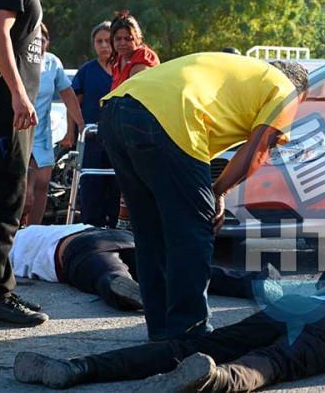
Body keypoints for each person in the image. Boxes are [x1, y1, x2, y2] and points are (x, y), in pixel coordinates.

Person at [99, 53, 308, 341]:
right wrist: (217, 191)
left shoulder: (244, 73)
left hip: (116, 110)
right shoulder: (286, 90)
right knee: (195, 232)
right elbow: (257, 153)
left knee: (151, 233)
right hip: (169, 118)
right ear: (302, 92)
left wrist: (214, 189)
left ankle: (161, 332)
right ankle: (189, 332)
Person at [13, 274, 325, 392]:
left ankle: (78, 368)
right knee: (272, 363)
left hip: (314, 310)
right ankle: (210, 380)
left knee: (204, 344)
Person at [0, 0, 75, 326]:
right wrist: (18, 93)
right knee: (6, 202)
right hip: (5, 112)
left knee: (6, 200)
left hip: (13, 113)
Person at [8, 224, 283, 311]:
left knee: (107, 275)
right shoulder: (31, 229)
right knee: (180, 268)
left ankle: (123, 286)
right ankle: (254, 281)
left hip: (74, 251)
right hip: (109, 234)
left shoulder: (8, 247)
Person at [22, 22, 84, 226]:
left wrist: (80, 124)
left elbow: (67, 93)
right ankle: (14, 236)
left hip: (42, 135)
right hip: (20, 132)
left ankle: (33, 233)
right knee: (24, 194)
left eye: (42, 38)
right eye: (34, 38)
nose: (38, 42)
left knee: (42, 187)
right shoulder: (18, 59)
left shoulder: (52, 63)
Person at [71, 21, 119, 227]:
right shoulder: (86, 71)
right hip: (92, 138)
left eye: (108, 41)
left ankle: (115, 227)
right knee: (91, 184)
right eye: (99, 41)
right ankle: (91, 228)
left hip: (118, 138)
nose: (104, 46)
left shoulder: (125, 69)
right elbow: (73, 103)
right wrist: (72, 131)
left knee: (117, 183)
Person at [108, 10, 159, 90]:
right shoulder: (118, 60)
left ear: (138, 38)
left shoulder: (143, 57)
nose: (122, 43)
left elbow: (136, 93)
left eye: (128, 39)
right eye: (118, 39)